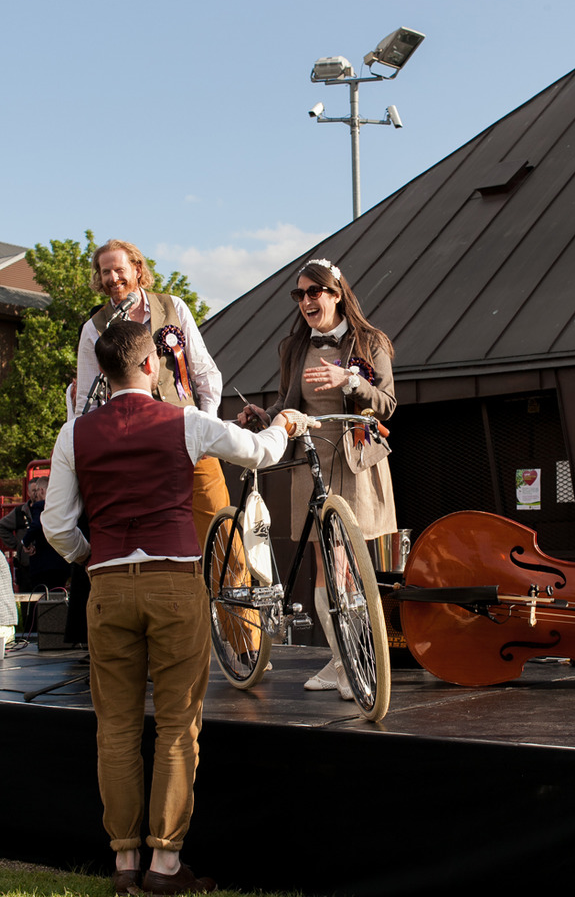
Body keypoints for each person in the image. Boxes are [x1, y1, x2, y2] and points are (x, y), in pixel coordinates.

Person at [42, 320, 301, 895]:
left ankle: (125, 864)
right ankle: (165, 866)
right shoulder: (182, 419)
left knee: (115, 727)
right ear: (150, 366)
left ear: (105, 374)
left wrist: (94, 557)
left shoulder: (74, 434)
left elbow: (56, 526)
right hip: (174, 581)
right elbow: (260, 452)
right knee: (178, 726)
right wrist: (285, 421)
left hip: (108, 586)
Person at [238, 257, 397, 700]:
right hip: (312, 461)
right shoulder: (292, 347)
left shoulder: (371, 341)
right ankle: (340, 659)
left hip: (357, 463)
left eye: (314, 291)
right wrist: (262, 416)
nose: (306, 300)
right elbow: (291, 402)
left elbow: (386, 405)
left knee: (347, 567)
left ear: (336, 293)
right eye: (299, 293)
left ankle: (353, 662)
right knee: (326, 567)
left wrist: (348, 379)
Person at [75, 238, 228, 549]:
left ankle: (232, 597)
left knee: (221, 529)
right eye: (105, 272)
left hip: (189, 434)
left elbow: (205, 373)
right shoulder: (94, 328)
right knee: (154, 538)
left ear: (137, 268)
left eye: (119, 269)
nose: (112, 278)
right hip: (132, 447)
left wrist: (208, 423)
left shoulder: (173, 307)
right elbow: (86, 402)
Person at [0, 477, 39, 594]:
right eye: (33, 491)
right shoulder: (20, 512)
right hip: (26, 567)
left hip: (46, 566)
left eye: (38, 490)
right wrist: (19, 545)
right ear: (28, 493)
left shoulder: (49, 510)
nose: (37, 494)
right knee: (27, 603)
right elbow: (1, 526)